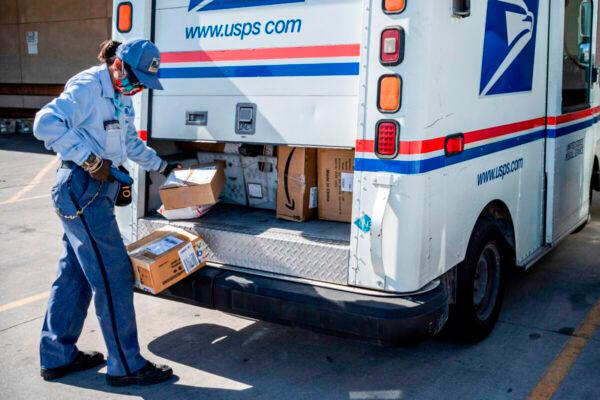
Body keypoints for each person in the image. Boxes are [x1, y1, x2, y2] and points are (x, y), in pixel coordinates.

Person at [33, 38, 180, 386]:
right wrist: (88, 159)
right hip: (81, 186)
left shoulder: (120, 96)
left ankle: (57, 355)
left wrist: (163, 167)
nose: (139, 87)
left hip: (94, 191)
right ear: (118, 65)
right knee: (114, 275)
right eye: (138, 79)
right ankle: (126, 365)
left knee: (75, 274)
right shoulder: (87, 86)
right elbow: (45, 123)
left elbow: (129, 143)